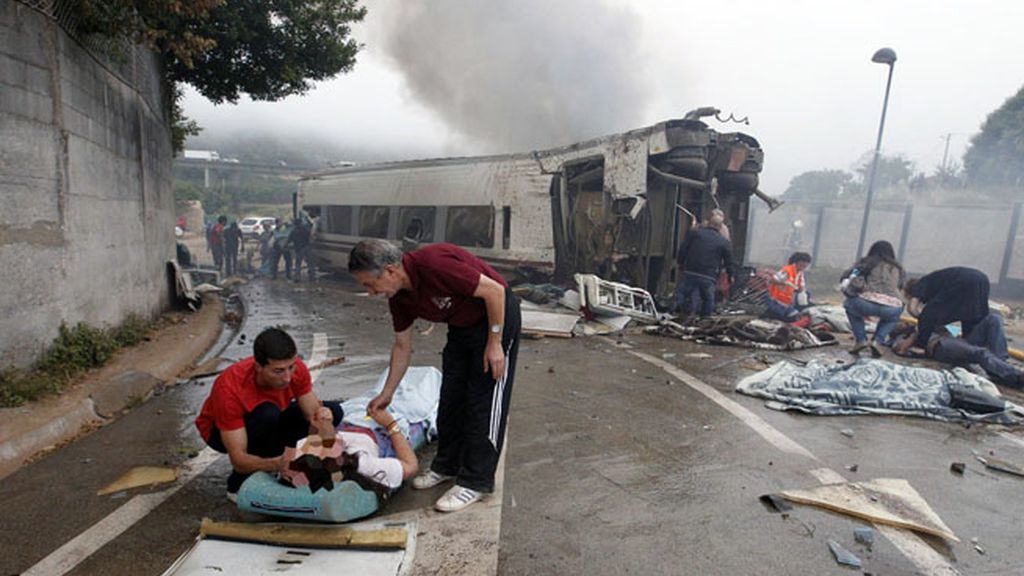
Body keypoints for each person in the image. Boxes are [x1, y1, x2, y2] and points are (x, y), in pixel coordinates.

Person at [348, 239, 521, 513]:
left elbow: (495, 291)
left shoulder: (434, 264)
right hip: (462, 326)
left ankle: (476, 481)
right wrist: (387, 393)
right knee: (450, 396)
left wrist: (495, 342)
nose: (371, 293)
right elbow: (403, 347)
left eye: (370, 284)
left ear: (391, 271)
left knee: (484, 398)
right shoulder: (400, 299)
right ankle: (447, 465)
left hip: (495, 317)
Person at [195, 327, 344, 501]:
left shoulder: (297, 371)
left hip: (272, 416)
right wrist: (276, 464)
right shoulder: (230, 387)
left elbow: (312, 418)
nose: (287, 378)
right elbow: (238, 459)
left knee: (334, 411)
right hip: (220, 432)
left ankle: (292, 466)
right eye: (278, 371)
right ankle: (237, 484)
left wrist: (324, 421)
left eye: (291, 367)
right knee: (268, 415)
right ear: (259, 367)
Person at [281, 404, 419, 493]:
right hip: (380, 423)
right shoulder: (362, 463)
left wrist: (323, 418)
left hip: (352, 413)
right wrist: (390, 425)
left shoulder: (303, 451)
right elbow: (410, 466)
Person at [894, 267, 1008, 359]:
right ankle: (998, 355)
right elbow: (961, 313)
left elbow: (912, 308)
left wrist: (922, 322)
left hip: (964, 280)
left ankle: (919, 348)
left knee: (929, 313)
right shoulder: (938, 284)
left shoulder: (923, 283)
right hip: (982, 279)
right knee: (973, 314)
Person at [892, 326, 1024, 390]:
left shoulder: (930, 324)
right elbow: (900, 349)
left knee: (994, 319)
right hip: (941, 346)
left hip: (957, 341)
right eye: (900, 324)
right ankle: (1015, 376)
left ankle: (1001, 366)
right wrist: (916, 332)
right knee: (980, 353)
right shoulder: (904, 336)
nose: (902, 323)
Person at [841, 240, 906, 357]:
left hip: (866, 302)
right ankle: (878, 341)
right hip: (892, 306)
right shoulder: (898, 267)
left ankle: (861, 340)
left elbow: (849, 275)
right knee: (891, 319)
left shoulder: (866, 263)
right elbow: (900, 285)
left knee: (849, 305)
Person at [675, 210, 734, 318]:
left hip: (690, 271)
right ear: (720, 227)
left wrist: (681, 264)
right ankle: (704, 320)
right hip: (708, 276)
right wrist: (731, 276)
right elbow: (729, 262)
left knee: (682, 294)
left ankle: (678, 314)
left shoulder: (695, 233)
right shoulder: (724, 242)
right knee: (708, 299)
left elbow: (683, 250)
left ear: (708, 222)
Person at [766, 252, 812, 322]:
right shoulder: (787, 270)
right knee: (792, 317)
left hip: (787, 300)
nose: (805, 264)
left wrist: (801, 290)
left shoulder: (800, 273)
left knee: (807, 294)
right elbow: (772, 281)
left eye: (806, 263)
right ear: (797, 261)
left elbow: (801, 286)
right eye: (803, 262)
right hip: (776, 300)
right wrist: (784, 283)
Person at [289, 217, 313, 282]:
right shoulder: (306, 229)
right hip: (307, 247)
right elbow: (310, 237)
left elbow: (289, 240)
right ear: (301, 223)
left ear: (295, 224)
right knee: (310, 263)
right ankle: (312, 277)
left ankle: (297, 278)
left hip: (299, 249)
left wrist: (285, 245)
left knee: (298, 264)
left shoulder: (293, 231)